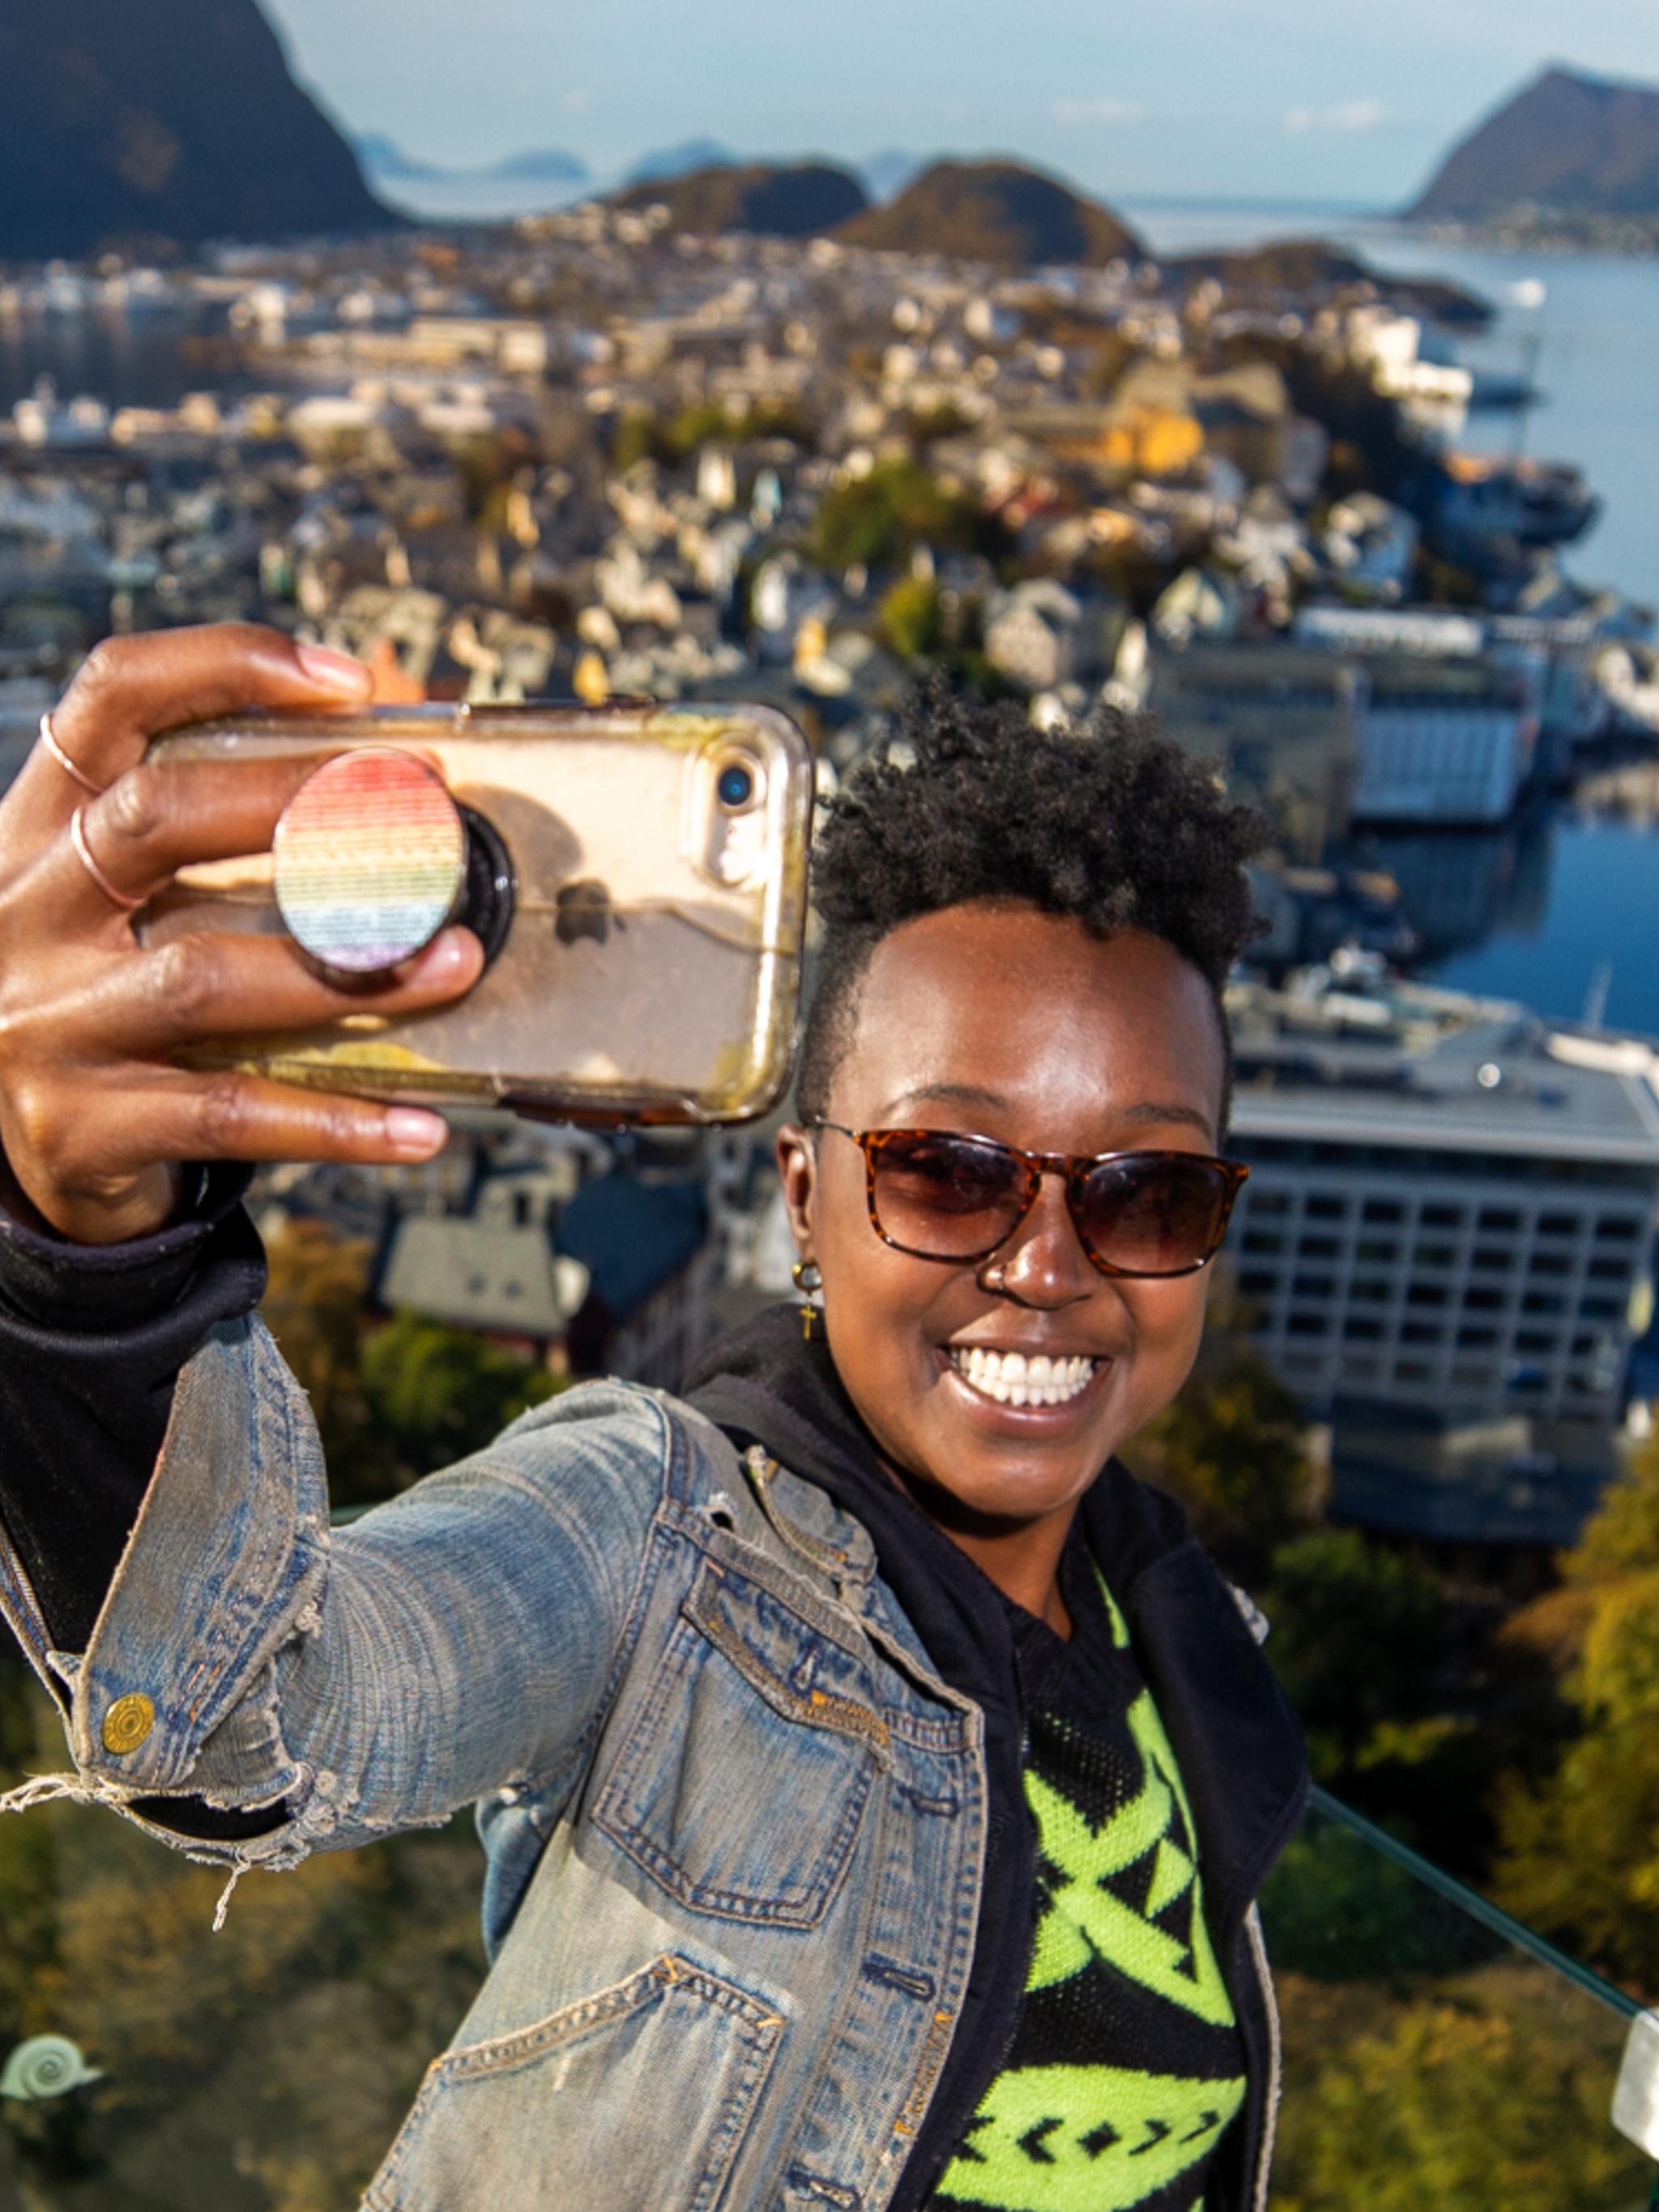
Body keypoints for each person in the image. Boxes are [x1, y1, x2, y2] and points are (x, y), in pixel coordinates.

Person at [0, 625, 1306, 2212]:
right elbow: (264, 1714)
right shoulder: (658, 1535)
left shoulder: (1179, 1624)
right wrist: (82, 1261)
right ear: (804, 1198)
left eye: (1147, 1190)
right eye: (948, 1173)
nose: (1046, 1266)